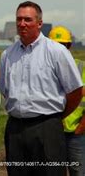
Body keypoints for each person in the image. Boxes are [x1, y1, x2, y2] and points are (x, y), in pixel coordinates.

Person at [0, 1, 83, 176]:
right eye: (19, 19)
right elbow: (5, 90)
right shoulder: (8, 55)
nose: (22, 24)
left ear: (39, 23)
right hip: (16, 130)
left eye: (28, 19)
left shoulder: (57, 52)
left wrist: (56, 116)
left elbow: (75, 91)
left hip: (47, 128)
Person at [49, 25, 85, 176]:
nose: (59, 49)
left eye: (63, 45)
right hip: (51, 132)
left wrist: (81, 127)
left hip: (76, 133)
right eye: (55, 45)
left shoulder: (82, 67)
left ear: (69, 46)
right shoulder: (45, 68)